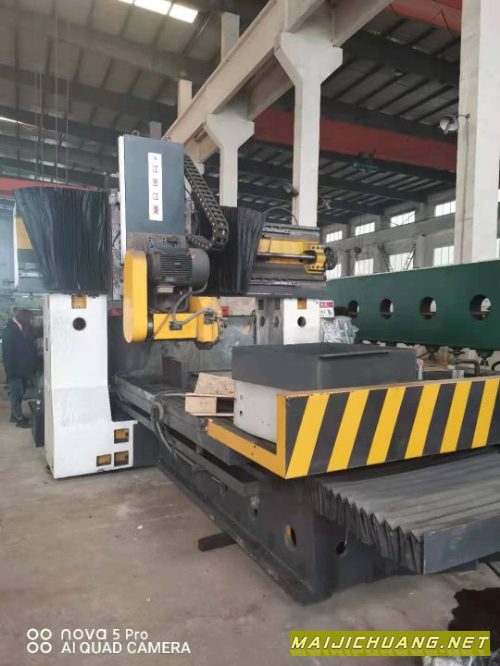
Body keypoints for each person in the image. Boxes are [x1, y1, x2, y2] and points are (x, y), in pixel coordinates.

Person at [2, 309, 37, 428]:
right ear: (23, 318)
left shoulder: (19, 328)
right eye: (29, 320)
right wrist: (10, 373)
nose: (30, 322)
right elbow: (7, 354)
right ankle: (19, 419)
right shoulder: (10, 331)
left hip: (21, 369)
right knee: (16, 395)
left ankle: (14, 415)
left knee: (19, 394)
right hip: (15, 370)